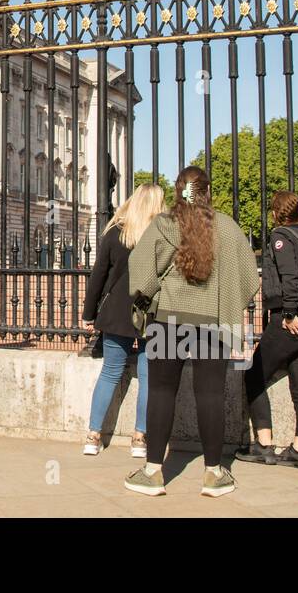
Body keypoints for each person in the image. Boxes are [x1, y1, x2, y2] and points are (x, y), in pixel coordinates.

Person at [123, 166, 260, 498]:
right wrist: (224, 301)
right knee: (211, 394)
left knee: (160, 392)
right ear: (208, 192)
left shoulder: (164, 224)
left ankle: (153, 472)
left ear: (178, 190)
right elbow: (248, 279)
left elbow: (140, 272)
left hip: (168, 320)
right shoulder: (226, 227)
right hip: (212, 322)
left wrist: (154, 293)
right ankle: (213, 474)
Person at [235, 190, 298, 470]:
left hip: (292, 320)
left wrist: (290, 314)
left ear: (276, 212)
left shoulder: (281, 237)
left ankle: (264, 444)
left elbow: (290, 277)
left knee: (254, 374)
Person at [80, 183, 166, 458]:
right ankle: (140, 437)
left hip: (118, 312)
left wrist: (88, 314)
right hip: (153, 312)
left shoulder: (116, 234)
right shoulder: (163, 235)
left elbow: (98, 277)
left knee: (110, 373)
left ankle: (94, 435)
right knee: (149, 379)